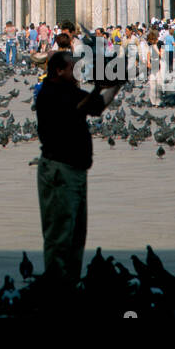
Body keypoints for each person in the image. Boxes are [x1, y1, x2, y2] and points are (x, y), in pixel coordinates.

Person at [34, 51, 123, 294]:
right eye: (72, 67)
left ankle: (69, 286)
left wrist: (115, 85)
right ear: (59, 71)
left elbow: (95, 108)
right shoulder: (49, 93)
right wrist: (98, 88)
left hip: (75, 172)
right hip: (59, 172)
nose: (77, 71)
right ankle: (55, 289)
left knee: (75, 234)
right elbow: (77, 109)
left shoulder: (70, 91)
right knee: (59, 234)